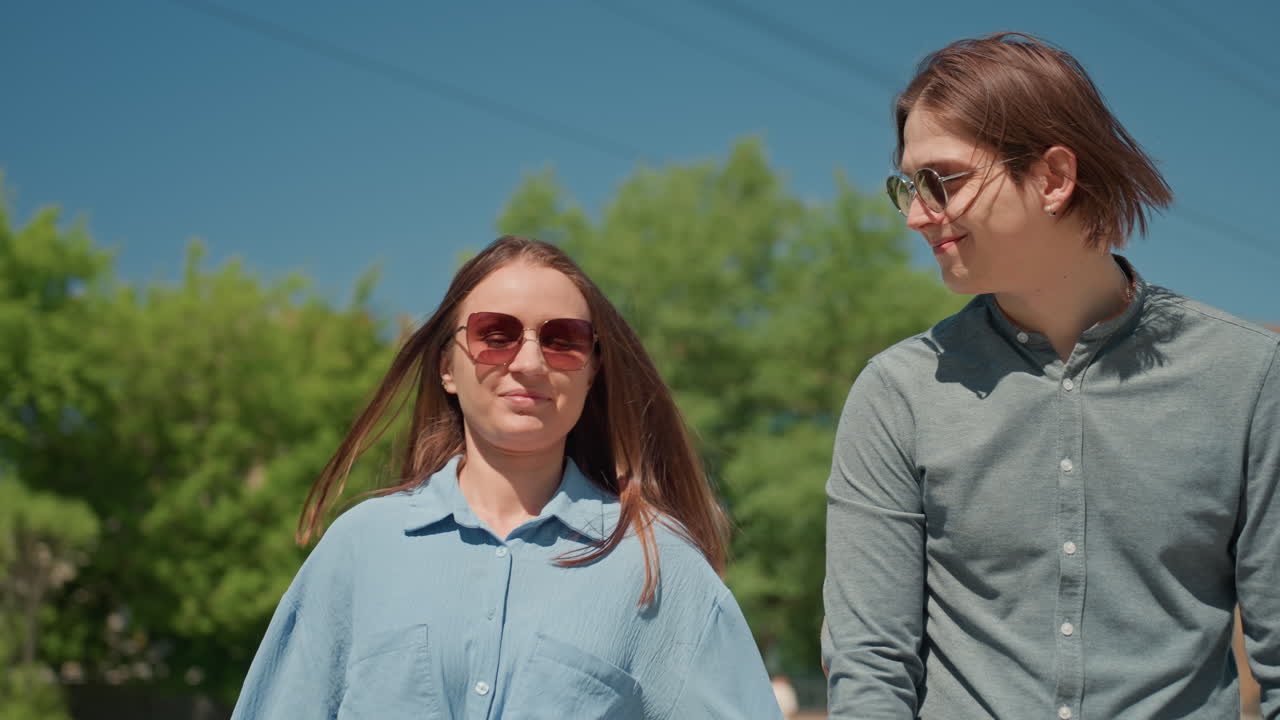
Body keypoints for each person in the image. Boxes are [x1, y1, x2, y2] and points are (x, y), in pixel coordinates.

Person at [822, 32, 1278, 719]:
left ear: (1053, 178)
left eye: (941, 181)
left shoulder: (1250, 377)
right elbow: (869, 668)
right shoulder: (896, 394)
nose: (918, 215)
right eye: (908, 187)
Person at [232, 236, 782, 719]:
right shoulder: (359, 548)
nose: (529, 362)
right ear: (447, 366)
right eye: (495, 334)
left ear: (593, 371)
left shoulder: (659, 567)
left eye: (563, 339)